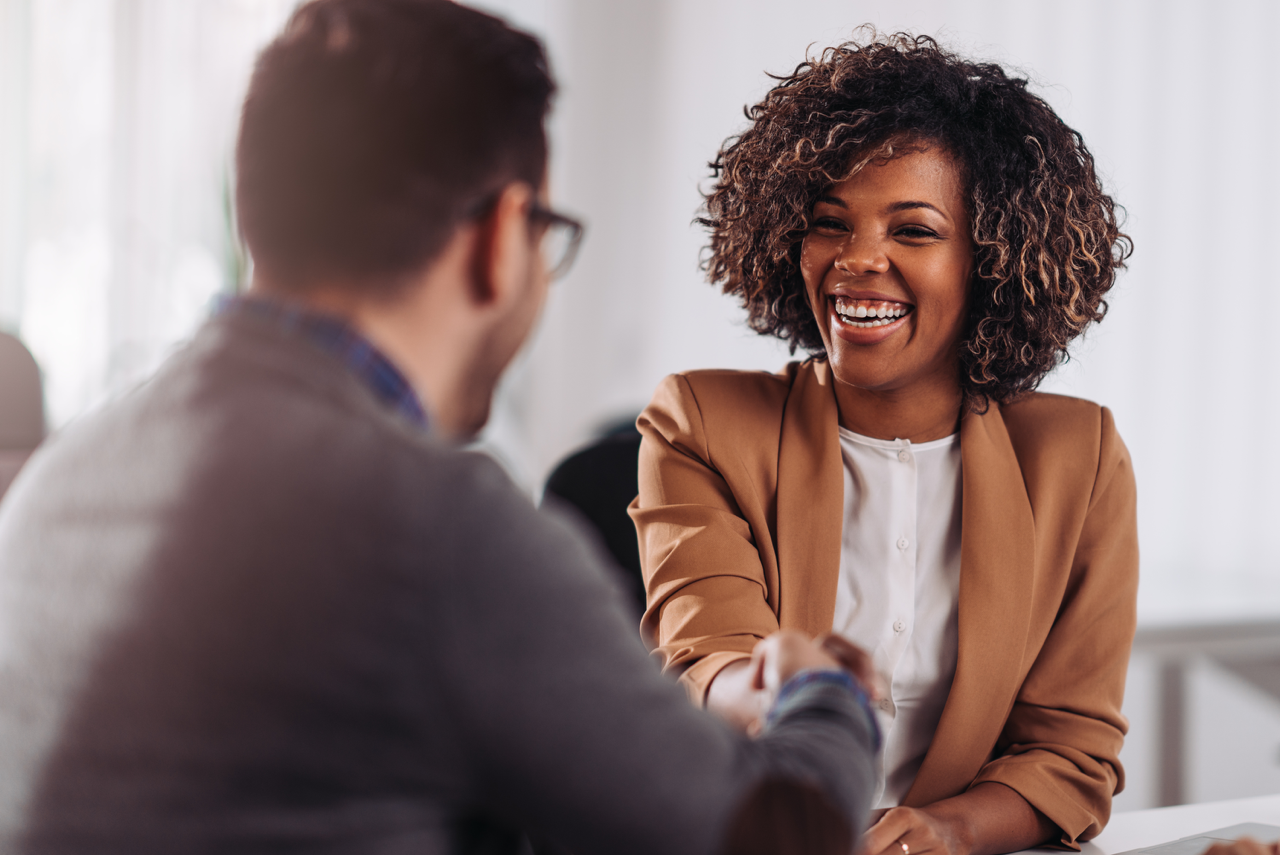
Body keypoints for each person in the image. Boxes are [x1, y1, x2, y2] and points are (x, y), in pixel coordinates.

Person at [0, 2, 882, 852]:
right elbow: (774, 832)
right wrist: (825, 692)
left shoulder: (62, 478)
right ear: (503, 235)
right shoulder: (434, 524)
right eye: (547, 232)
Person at [631, 32, 1138, 855]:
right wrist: (774, 683)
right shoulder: (702, 420)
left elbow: (1070, 750)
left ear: (992, 261)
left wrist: (942, 830)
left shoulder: (1077, 457)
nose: (857, 260)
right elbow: (705, 659)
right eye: (830, 223)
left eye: (914, 231)